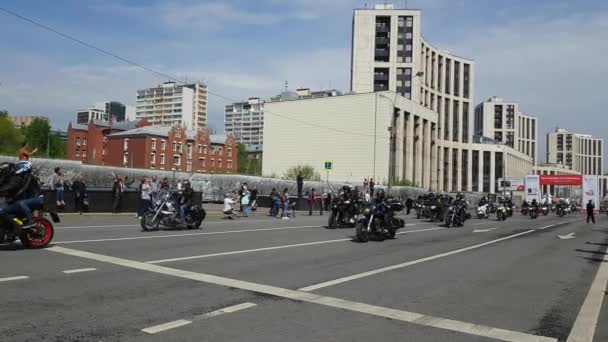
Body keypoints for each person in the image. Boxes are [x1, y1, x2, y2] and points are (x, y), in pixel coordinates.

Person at [0, 161, 44, 231]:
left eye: (19, 167)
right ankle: (11, 228)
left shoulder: (29, 177)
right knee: (3, 211)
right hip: (28, 200)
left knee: (20, 203)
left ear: (24, 167)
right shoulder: (22, 177)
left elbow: (20, 188)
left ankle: (31, 221)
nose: (17, 169)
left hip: (37, 199)